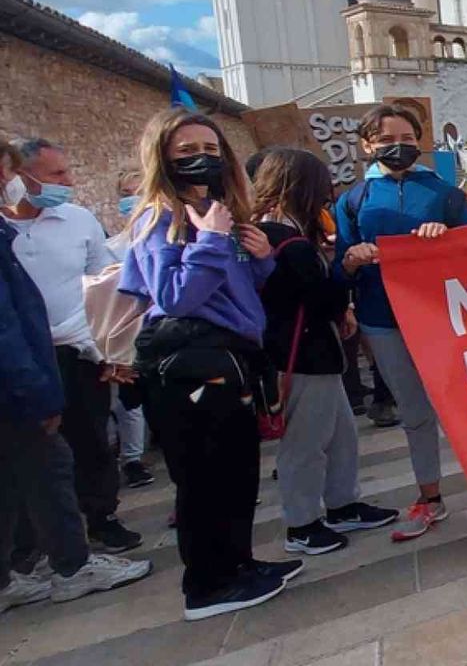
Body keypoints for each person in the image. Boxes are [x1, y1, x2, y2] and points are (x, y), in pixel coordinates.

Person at [334, 105, 467, 559]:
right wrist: (350, 259)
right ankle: (430, 499)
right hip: (382, 321)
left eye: (406, 136)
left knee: (466, 413)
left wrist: (448, 241)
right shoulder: (352, 200)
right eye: (385, 140)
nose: (396, 146)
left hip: (444, 318)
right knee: (415, 414)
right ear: (367, 145)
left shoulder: (446, 195)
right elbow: (338, 269)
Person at [118, 108, 289, 620]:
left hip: (230, 359)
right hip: (187, 368)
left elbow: (230, 294)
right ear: (164, 158)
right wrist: (211, 241)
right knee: (204, 480)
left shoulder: (218, 211)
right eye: (187, 152)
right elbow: (174, 297)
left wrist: (259, 259)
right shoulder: (159, 219)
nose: (201, 160)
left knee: (237, 474)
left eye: (211, 151)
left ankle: (240, 566)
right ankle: (207, 585)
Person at [1, 141, 152, 615]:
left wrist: (108, 344)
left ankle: (94, 524)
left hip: (75, 350)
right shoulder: (6, 231)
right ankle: (59, 560)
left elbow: (103, 281)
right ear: (22, 176)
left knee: (85, 445)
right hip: (24, 367)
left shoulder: (79, 222)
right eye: (57, 175)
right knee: (44, 464)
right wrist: (33, 386)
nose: (68, 183)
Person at [252, 148, 398, 556]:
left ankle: (342, 504)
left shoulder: (284, 235)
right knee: (306, 443)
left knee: (340, 436)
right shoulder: (286, 240)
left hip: (318, 352)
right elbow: (314, 299)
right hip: (301, 357)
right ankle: (301, 524)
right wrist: (347, 271)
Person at [104, 168, 153, 489]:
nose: (131, 199)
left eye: (138, 191)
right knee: (126, 402)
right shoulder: (111, 246)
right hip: (126, 331)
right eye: (126, 193)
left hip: (159, 332)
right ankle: (130, 459)